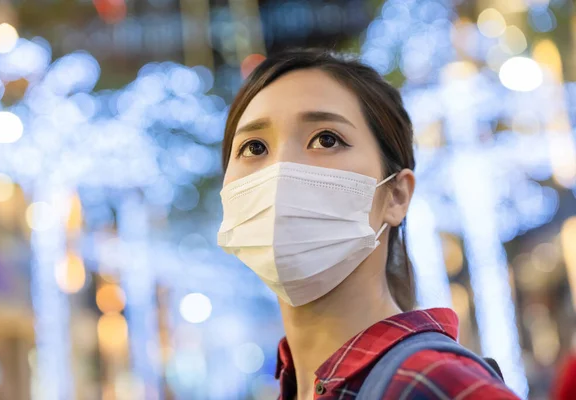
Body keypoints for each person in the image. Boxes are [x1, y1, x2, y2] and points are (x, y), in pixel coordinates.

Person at [217, 49, 520, 400]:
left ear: (396, 196)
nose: (279, 171)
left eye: (326, 139)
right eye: (254, 148)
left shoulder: (439, 385)